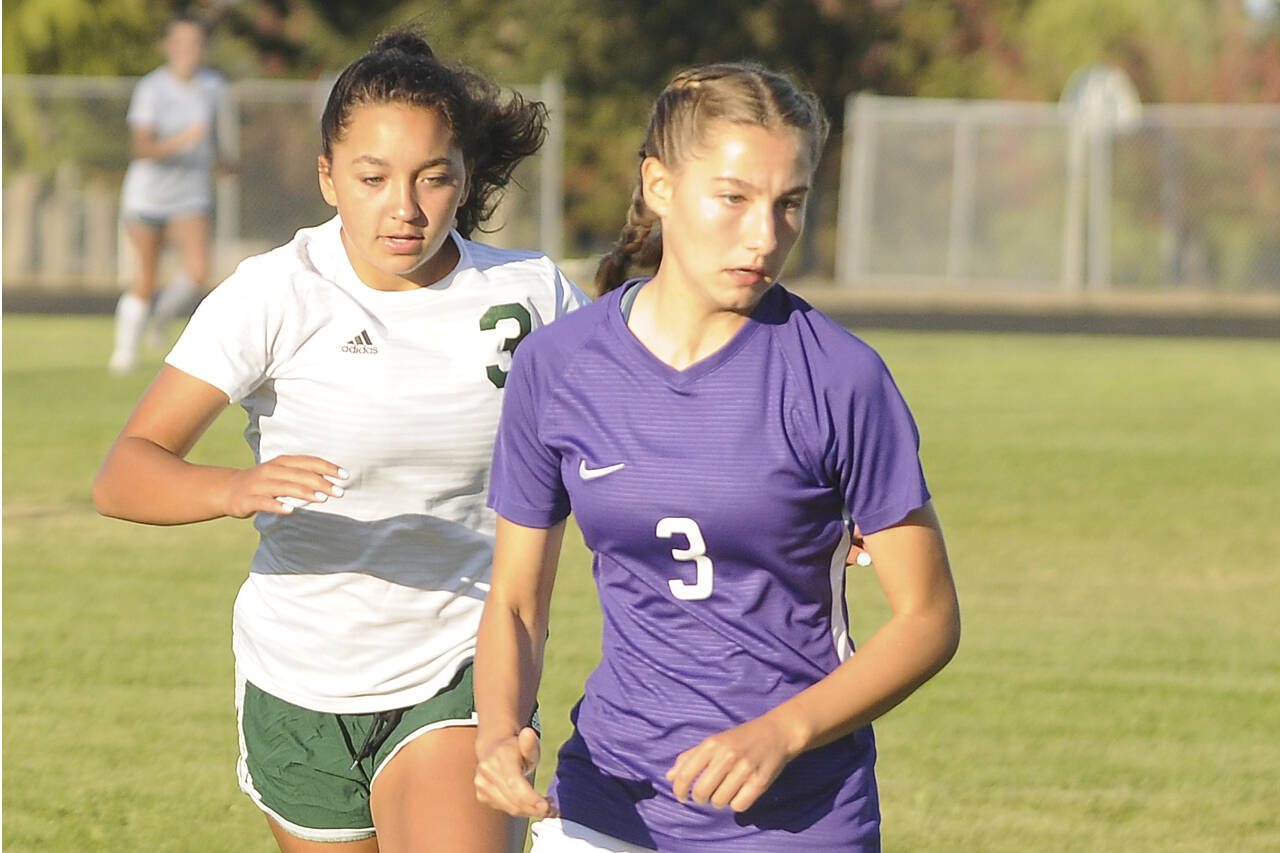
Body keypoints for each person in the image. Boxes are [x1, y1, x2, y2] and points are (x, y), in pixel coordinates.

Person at [94, 27, 586, 853]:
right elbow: (125, 473)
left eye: (435, 178)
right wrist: (231, 490)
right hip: (298, 679)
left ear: (464, 178)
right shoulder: (274, 294)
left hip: (457, 665)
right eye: (373, 178)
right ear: (328, 177)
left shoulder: (532, 295)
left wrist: (816, 508)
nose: (405, 206)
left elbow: (650, 427)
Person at [473, 62, 961, 852]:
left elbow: (928, 618)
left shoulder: (842, 378)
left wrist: (783, 731)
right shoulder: (557, 367)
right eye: (733, 198)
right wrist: (499, 730)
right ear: (659, 185)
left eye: (789, 203)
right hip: (608, 798)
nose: (766, 235)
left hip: (798, 816)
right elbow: (516, 602)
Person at [109, 11, 230, 374]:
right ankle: (124, 353)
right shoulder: (152, 88)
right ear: (167, 47)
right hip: (148, 196)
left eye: (194, 43)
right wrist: (181, 141)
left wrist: (223, 162)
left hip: (190, 194)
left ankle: (161, 318)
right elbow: (141, 148)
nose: (187, 50)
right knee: (145, 277)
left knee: (197, 271)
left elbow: (213, 137)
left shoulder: (213, 85)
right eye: (179, 43)